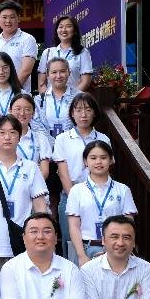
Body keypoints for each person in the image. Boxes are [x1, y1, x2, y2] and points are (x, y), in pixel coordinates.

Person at [0, 114, 48, 267]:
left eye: (13, 132)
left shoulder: (30, 168)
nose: (7, 137)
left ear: (19, 137)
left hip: (24, 243)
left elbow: (40, 207)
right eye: (2, 133)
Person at [53, 93, 110, 259]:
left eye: (88, 110)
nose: (83, 114)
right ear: (72, 113)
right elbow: (63, 173)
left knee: (99, 244)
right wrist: (75, 197)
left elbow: (106, 169)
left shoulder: (103, 139)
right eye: (78, 110)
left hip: (99, 197)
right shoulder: (63, 139)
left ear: (95, 113)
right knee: (71, 244)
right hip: (70, 194)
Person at [66, 140, 138, 266]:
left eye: (103, 158)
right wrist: (82, 255)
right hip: (87, 248)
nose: (98, 162)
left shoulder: (123, 190)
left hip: (116, 248)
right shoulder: (76, 190)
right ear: (85, 161)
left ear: (111, 160)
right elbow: (74, 226)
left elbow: (128, 224)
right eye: (93, 158)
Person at [0, 93, 51, 180]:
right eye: (18, 109)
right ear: (10, 111)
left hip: (34, 184)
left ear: (33, 113)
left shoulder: (40, 138)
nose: (22, 113)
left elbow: (44, 171)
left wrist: (30, 186)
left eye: (27, 109)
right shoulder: (1, 138)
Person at [0, 0, 38, 92]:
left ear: (18, 18)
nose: (8, 21)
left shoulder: (28, 39)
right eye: (4, 17)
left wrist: (10, 91)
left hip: (20, 94)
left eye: (12, 17)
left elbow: (26, 71)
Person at [38, 15, 93, 93]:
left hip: (74, 98)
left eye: (68, 26)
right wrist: (47, 98)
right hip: (51, 99)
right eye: (60, 27)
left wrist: (71, 97)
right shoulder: (47, 52)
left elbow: (85, 81)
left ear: (74, 31)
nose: (64, 30)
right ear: (57, 31)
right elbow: (41, 83)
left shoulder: (83, 52)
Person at [35, 57, 76, 141]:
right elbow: (36, 125)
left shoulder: (79, 97)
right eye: (54, 72)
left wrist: (66, 142)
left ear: (69, 73)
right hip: (46, 145)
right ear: (47, 74)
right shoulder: (39, 100)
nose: (58, 76)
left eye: (62, 71)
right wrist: (50, 142)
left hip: (73, 143)